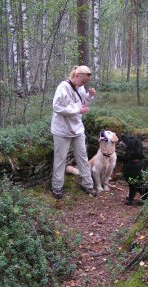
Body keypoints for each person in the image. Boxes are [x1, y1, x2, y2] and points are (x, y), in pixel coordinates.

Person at [51, 65, 97, 199]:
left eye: (85, 83)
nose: (84, 84)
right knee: (60, 159)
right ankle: (57, 187)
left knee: (82, 157)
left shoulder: (80, 87)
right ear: (76, 76)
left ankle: (88, 184)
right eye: (83, 81)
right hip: (62, 130)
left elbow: (83, 103)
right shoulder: (63, 88)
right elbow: (57, 107)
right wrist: (77, 110)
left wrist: (90, 96)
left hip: (77, 129)